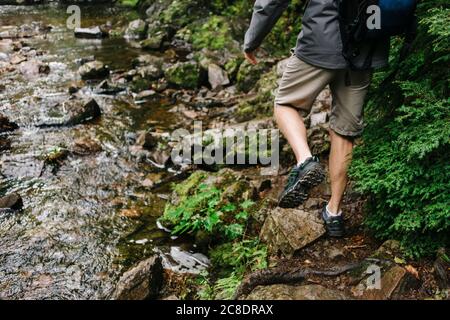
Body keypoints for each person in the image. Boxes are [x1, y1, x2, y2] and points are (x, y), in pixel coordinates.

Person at [243, 0, 390, 237]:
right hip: (366, 46)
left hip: (321, 42)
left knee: (285, 104)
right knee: (344, 130)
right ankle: (334, 213)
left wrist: (252, 39)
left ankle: (305, 160)